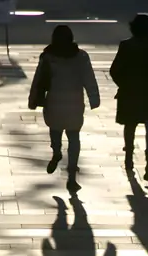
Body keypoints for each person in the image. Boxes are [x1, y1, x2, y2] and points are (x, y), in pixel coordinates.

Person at [28, 26, 100, 196]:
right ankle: (72, 175)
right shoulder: (81, 57)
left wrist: (33, 99)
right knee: (74, 137)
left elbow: (38, 79)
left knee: (55, 129)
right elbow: (89, 78)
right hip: (74, 102)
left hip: (54, 101)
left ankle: (57, 152)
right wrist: (94, 97)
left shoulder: (48, 57)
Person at [110, 14, 148, 180]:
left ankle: (129, 155)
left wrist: (123, 84)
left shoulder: (126, 46)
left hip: (129, 91)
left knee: (129, 124)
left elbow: (114, 70)